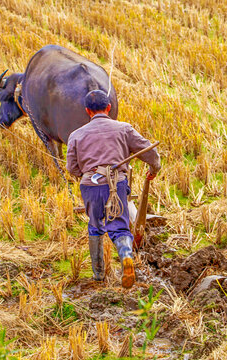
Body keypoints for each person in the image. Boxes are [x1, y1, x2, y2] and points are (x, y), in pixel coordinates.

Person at [66, 90, 161, 288]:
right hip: (116, 183)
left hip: (90, 185)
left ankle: (98, 275)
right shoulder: (124, 129)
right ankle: (126, 257)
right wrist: (154, 168)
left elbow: (72, 168)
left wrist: (85, 174)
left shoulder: (76, 135)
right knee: (119, 226)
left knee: (95, 226)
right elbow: (149, 151)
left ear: (87, 111)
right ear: (108, 107)